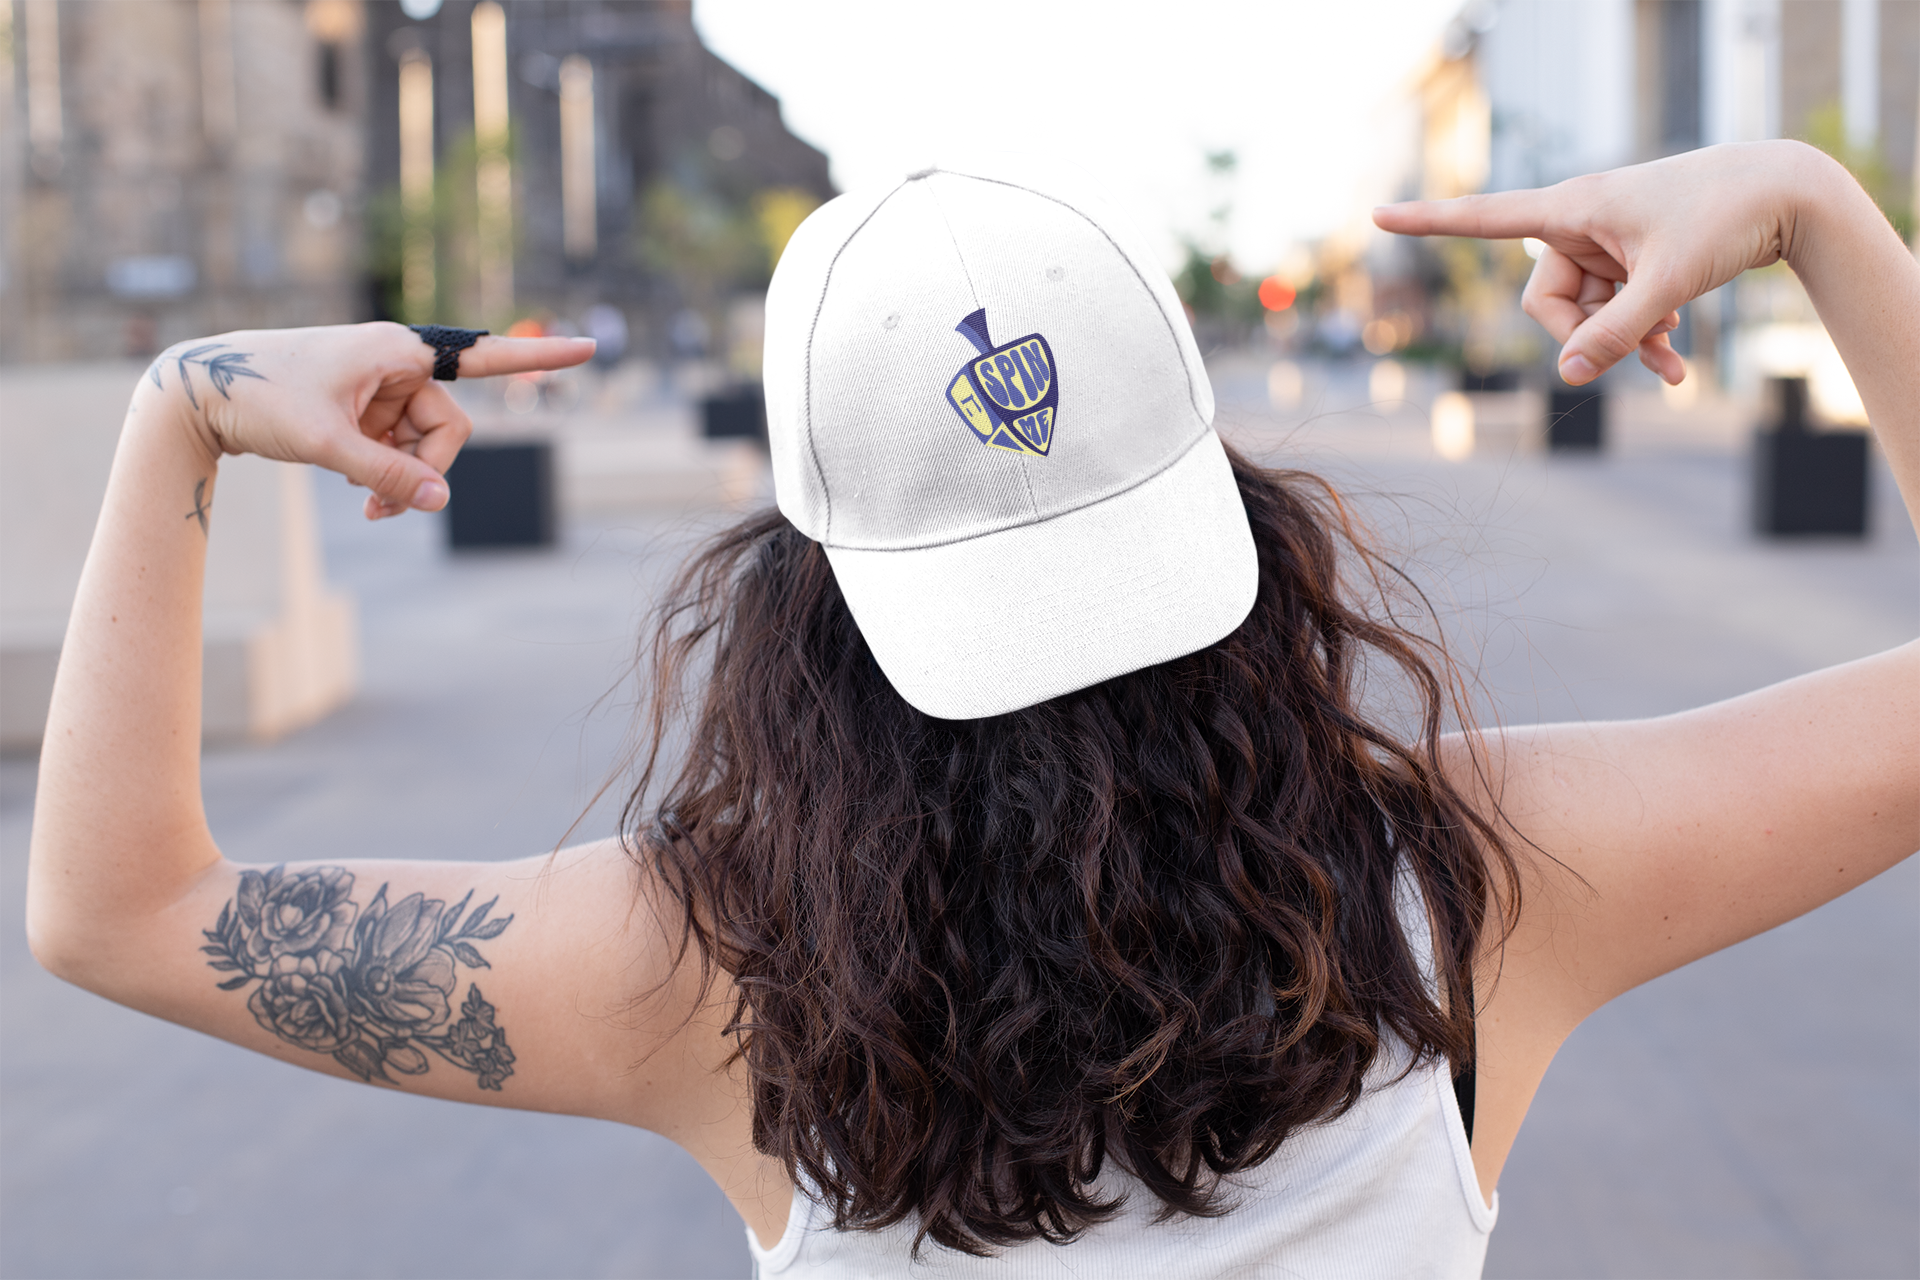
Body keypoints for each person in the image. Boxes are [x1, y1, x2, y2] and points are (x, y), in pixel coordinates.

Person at [25, 141, 1917, 1278]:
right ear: (1238, 516)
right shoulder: (1485, 888)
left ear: (805, 602)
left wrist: (178, 418)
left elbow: (118, 909)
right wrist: (1813, 211)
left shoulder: (707, 962)